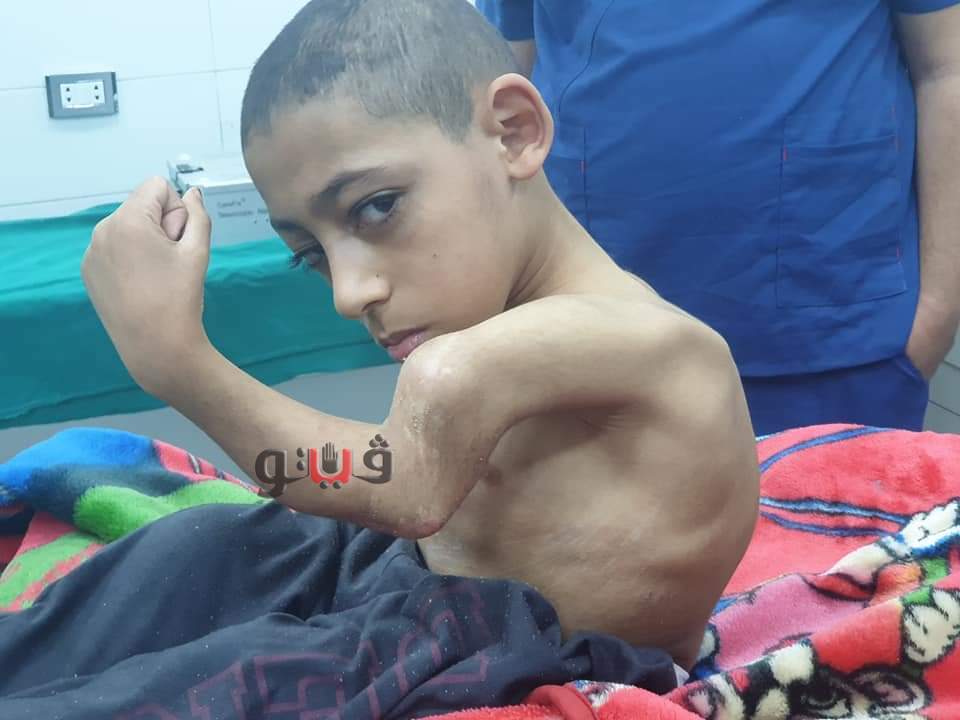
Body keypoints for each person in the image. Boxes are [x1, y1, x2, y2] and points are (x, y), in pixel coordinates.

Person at [80, 0, 760, 670]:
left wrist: (176, 362)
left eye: (377, 207)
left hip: (517, 656)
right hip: (417, 595)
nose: (348, 294)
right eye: (311, 254)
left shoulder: (634, 341)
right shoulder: (518, 340)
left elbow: (401, 484)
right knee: (170, 565)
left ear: (513, 132)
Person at [477, 0, 960, 436]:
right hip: (590, 334)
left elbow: (947, 67)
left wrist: (937, 314)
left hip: (836, 337)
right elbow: (497, 89)